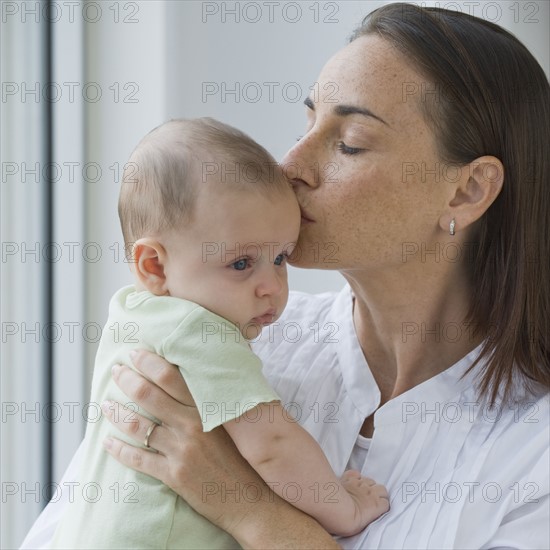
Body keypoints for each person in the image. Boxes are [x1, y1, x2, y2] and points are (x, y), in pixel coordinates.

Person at [22, 3, 549, 549]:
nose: (290, 163)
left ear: (468, 190)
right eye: (307, 122)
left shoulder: (534, 454)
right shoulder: (226, 330)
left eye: (349, 143)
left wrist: (247, 506)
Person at [48, 118, 389, 549]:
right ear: (154, 265)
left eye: (281, 257)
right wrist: (344, 506)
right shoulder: (201, 332)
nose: (272, 286)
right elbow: (271, 445)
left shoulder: (130, 314)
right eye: (242, 264)